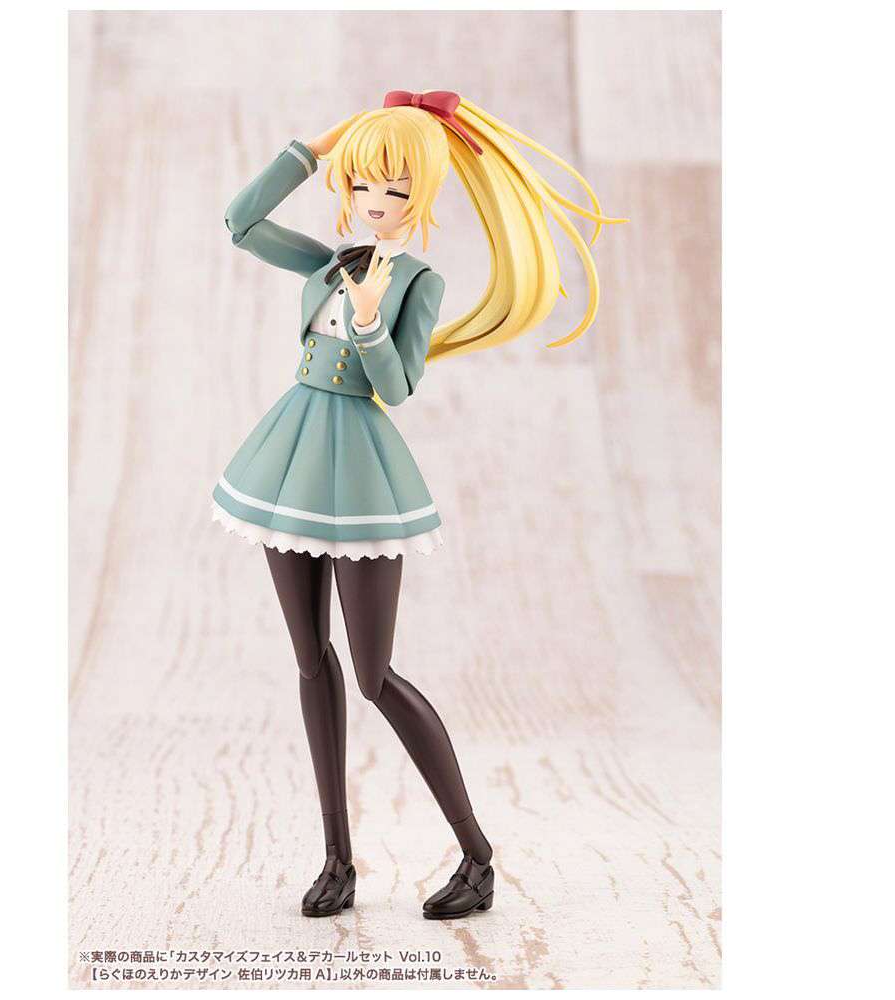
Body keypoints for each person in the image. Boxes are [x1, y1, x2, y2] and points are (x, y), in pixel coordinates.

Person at [212, 91, 624, 919]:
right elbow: (241, 221)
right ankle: (337, 859)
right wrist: (316, 148)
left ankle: (477, 855)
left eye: (396, 189)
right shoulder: (329, 260)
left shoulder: (418, 280)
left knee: (374, 675)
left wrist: (369, 322)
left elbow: (397, 386)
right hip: (290, 457)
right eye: (365, 183)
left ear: (422, 196)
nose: (377, 201)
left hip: (361, 472)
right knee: (309, 660)